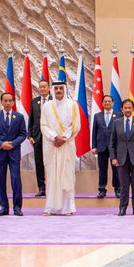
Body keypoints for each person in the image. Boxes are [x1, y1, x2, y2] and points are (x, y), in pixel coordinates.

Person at [40, 81, 81, 216]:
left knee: (67, 175)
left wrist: (63, 138)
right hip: (52, 146)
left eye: (60, 88)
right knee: (52, 176)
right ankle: (51, 207)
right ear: (52, 90)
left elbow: (76, 125)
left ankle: (67, 208)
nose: (58, 90)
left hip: (67, 145)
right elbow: (43, 125)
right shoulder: (46, 106)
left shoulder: (73, 105)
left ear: (64, 89)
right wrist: (54, 137)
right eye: (56, 88)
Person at [0, 92, 27, 216]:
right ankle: (4, 207)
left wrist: (12, 143)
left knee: (16, 180)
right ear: (1, 102)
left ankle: (17, 207)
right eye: (5, 100)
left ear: (13, 102)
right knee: (0, 181)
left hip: (14, 153)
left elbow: (23, 134)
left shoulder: (19, 117)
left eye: (10, 100)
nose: (8, 103)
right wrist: (1, 144)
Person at [110, 99, 134, 216]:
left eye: (129, 108)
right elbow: (112, 143)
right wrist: (113, 158)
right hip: (121, 159)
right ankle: (123, 208)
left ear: (133, 109)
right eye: (125, 108)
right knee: (123, 185)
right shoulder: (116, 123)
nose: (127, 110)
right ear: (122, 109)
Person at [92, 95, 122, 199]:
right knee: (102, 169)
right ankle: (101, 190)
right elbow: (94, 132)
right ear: (102, 103)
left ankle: (117, 190)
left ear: (113, 103)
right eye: (105, 101)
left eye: (109, 101)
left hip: (115, 147)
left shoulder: (119, 115)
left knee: (116, 170)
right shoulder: (97, 116)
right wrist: (94, 146)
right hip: (101, 146)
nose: (107, 103)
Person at [28, 79, 52, 197]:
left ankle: (53, 187)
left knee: (52, 163)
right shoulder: (34, 102)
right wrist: (30, 135)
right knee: (39, 163)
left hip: (51, 137)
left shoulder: (54, 101)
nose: (42, 89)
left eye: (44, 87)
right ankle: (41, 188)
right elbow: (31, 120)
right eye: (40, 87)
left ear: (49, 88)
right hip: (37, 137)